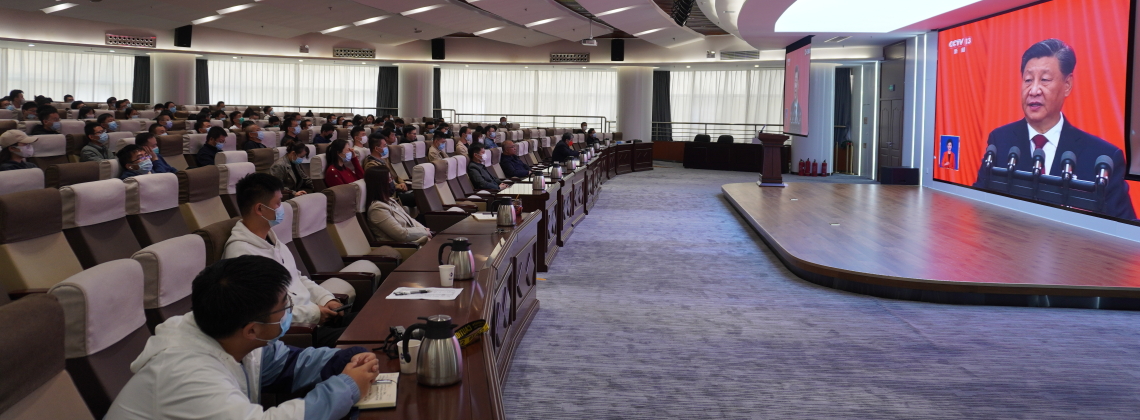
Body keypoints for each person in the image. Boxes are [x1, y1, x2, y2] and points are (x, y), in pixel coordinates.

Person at [103, 255, 378, 420]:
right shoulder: (185, 374)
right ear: (252, 329)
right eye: (285, 305)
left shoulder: (230, 334)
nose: (291, 310)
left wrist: (343, 359)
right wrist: (346, 387)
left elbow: (289, 364)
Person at [972, 38, 1135, 220]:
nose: (1034, 90)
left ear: (1067, 85)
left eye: (1045, 80)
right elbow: (978, 207)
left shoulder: (1103, 158)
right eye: (1028, 80)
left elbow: (1124, 228)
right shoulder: (1000, 141)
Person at [224, 174, 353, 347]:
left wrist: (326, 299)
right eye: (278, 203)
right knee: (364, 336)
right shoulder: (241, 255)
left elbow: (297, 278)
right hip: (297, 333)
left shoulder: (271, 239)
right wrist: (314, 313)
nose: (282, 208)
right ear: (260, 209)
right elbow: (264, 315)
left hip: (314, 317)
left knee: (370, 321)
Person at [364, 167, 430, 246]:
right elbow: (401, 234)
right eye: (389, 179)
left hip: (415, 240)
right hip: (404, 247)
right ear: (380, 184)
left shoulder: (390, 201)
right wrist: (424, 232)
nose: (392, 182)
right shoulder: (377, 209)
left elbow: (410, 220)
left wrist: (425, 229)